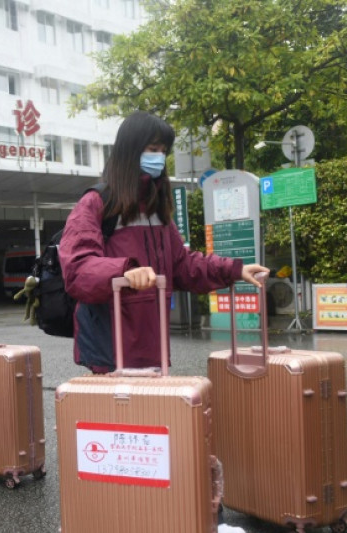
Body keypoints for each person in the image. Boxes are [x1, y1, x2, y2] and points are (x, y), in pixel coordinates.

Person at [59, 111, 269, 373]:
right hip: (111, 350)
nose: (158, 158)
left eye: (163, 151)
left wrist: (234, 269)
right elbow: (77, 268)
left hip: (153, 348)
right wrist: (124, 271)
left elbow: (182, 265)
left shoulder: (157, 210)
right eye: (152, 149)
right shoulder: (96, 203)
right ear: (130, 150)